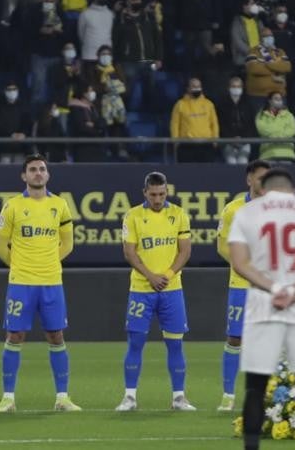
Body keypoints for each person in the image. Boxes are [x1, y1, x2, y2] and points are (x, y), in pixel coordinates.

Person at [227, 168, 295, 450]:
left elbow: (239, 262)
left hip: (264, 306)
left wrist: (274, 288)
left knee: (255, 388)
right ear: (294, 189)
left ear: (263, 189)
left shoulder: (248, 213)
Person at [0, 155, 80, 413]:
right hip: (21, 283)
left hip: (51, 281)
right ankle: (8, 398)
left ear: (48, 175)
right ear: (24, 176)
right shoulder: (12, 206)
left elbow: (68, 243)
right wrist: (19, 264)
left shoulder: (60, 205)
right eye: (33, 169)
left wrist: (49, 261)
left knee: (56, 335)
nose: (38, 173)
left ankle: (62, 398)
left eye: (42, 169)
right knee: (15, 335)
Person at [115, 172, 196, 412]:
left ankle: (179, 398)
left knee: (175, 344)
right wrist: (150, 276)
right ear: (145, 193)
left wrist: (167, 275)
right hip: (141, 289)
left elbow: (185, 252)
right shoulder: (133, 216)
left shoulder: (179, 214)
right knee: (136, 342)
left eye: (162, 194)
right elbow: (130, 252)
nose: (158, 199)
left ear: (167, 192)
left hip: (172, 290)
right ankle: (129, 397)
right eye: (153, 195)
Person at [214, 159, 270, 412]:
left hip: (269, 286)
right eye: (259, 178)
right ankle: (228, 395)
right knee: (235, 337)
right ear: (249, 179)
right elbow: (222, 247)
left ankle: (268, 393)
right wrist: (246, 266)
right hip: (241, 283)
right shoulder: (232, 210)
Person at [169, 78, 218, 162]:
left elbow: (214, 123)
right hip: (186, 146)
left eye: (198, 86)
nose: (197, 88)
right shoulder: (180, 104)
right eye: (194, 86)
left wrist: (215, 140)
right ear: (188, 89)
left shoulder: (209, 104)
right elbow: (175, 124)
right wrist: (175, 141)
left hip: (206, 145)